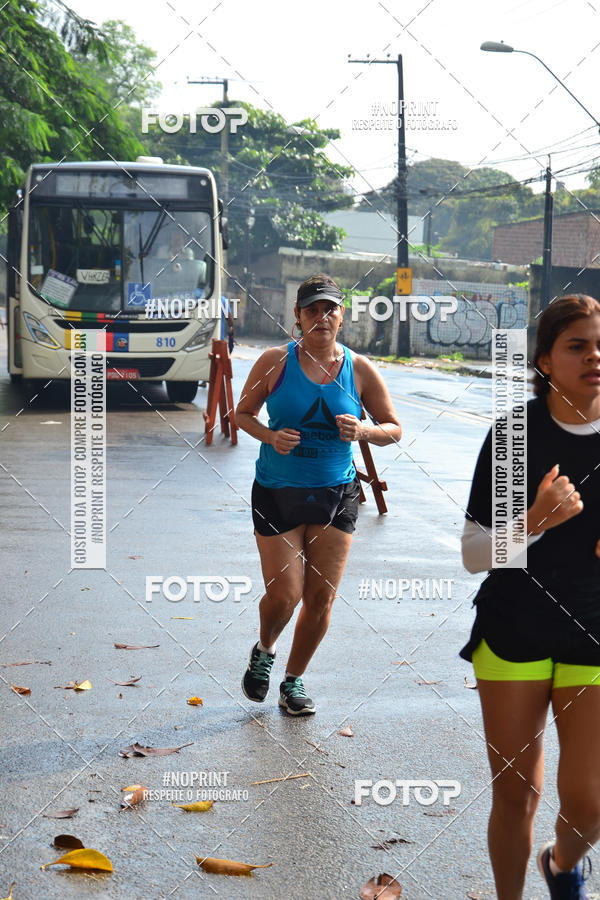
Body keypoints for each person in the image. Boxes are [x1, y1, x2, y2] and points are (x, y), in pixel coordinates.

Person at [461, 294, 600, 899]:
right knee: (517, 792)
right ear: (544, 359)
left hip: (593, 627)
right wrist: (534, 521)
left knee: (591, 799)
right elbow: (472, 553)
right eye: (578, 346)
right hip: (515, 626)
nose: (595, 357)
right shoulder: (515, 433)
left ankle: (563, 862)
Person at [236, 274, 402, 715]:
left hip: (336, 493)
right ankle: (265, 649)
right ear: (298, 316)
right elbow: (242, 414)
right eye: (312, 309)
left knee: (321, 597)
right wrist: (270, 437)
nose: (321, 317)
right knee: (286, 594)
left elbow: (393, 428)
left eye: (330, 309)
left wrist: (365, 429)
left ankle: (293, 681)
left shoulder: (360, 369)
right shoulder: (275, 361)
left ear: (341, 317)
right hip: (277, 491)